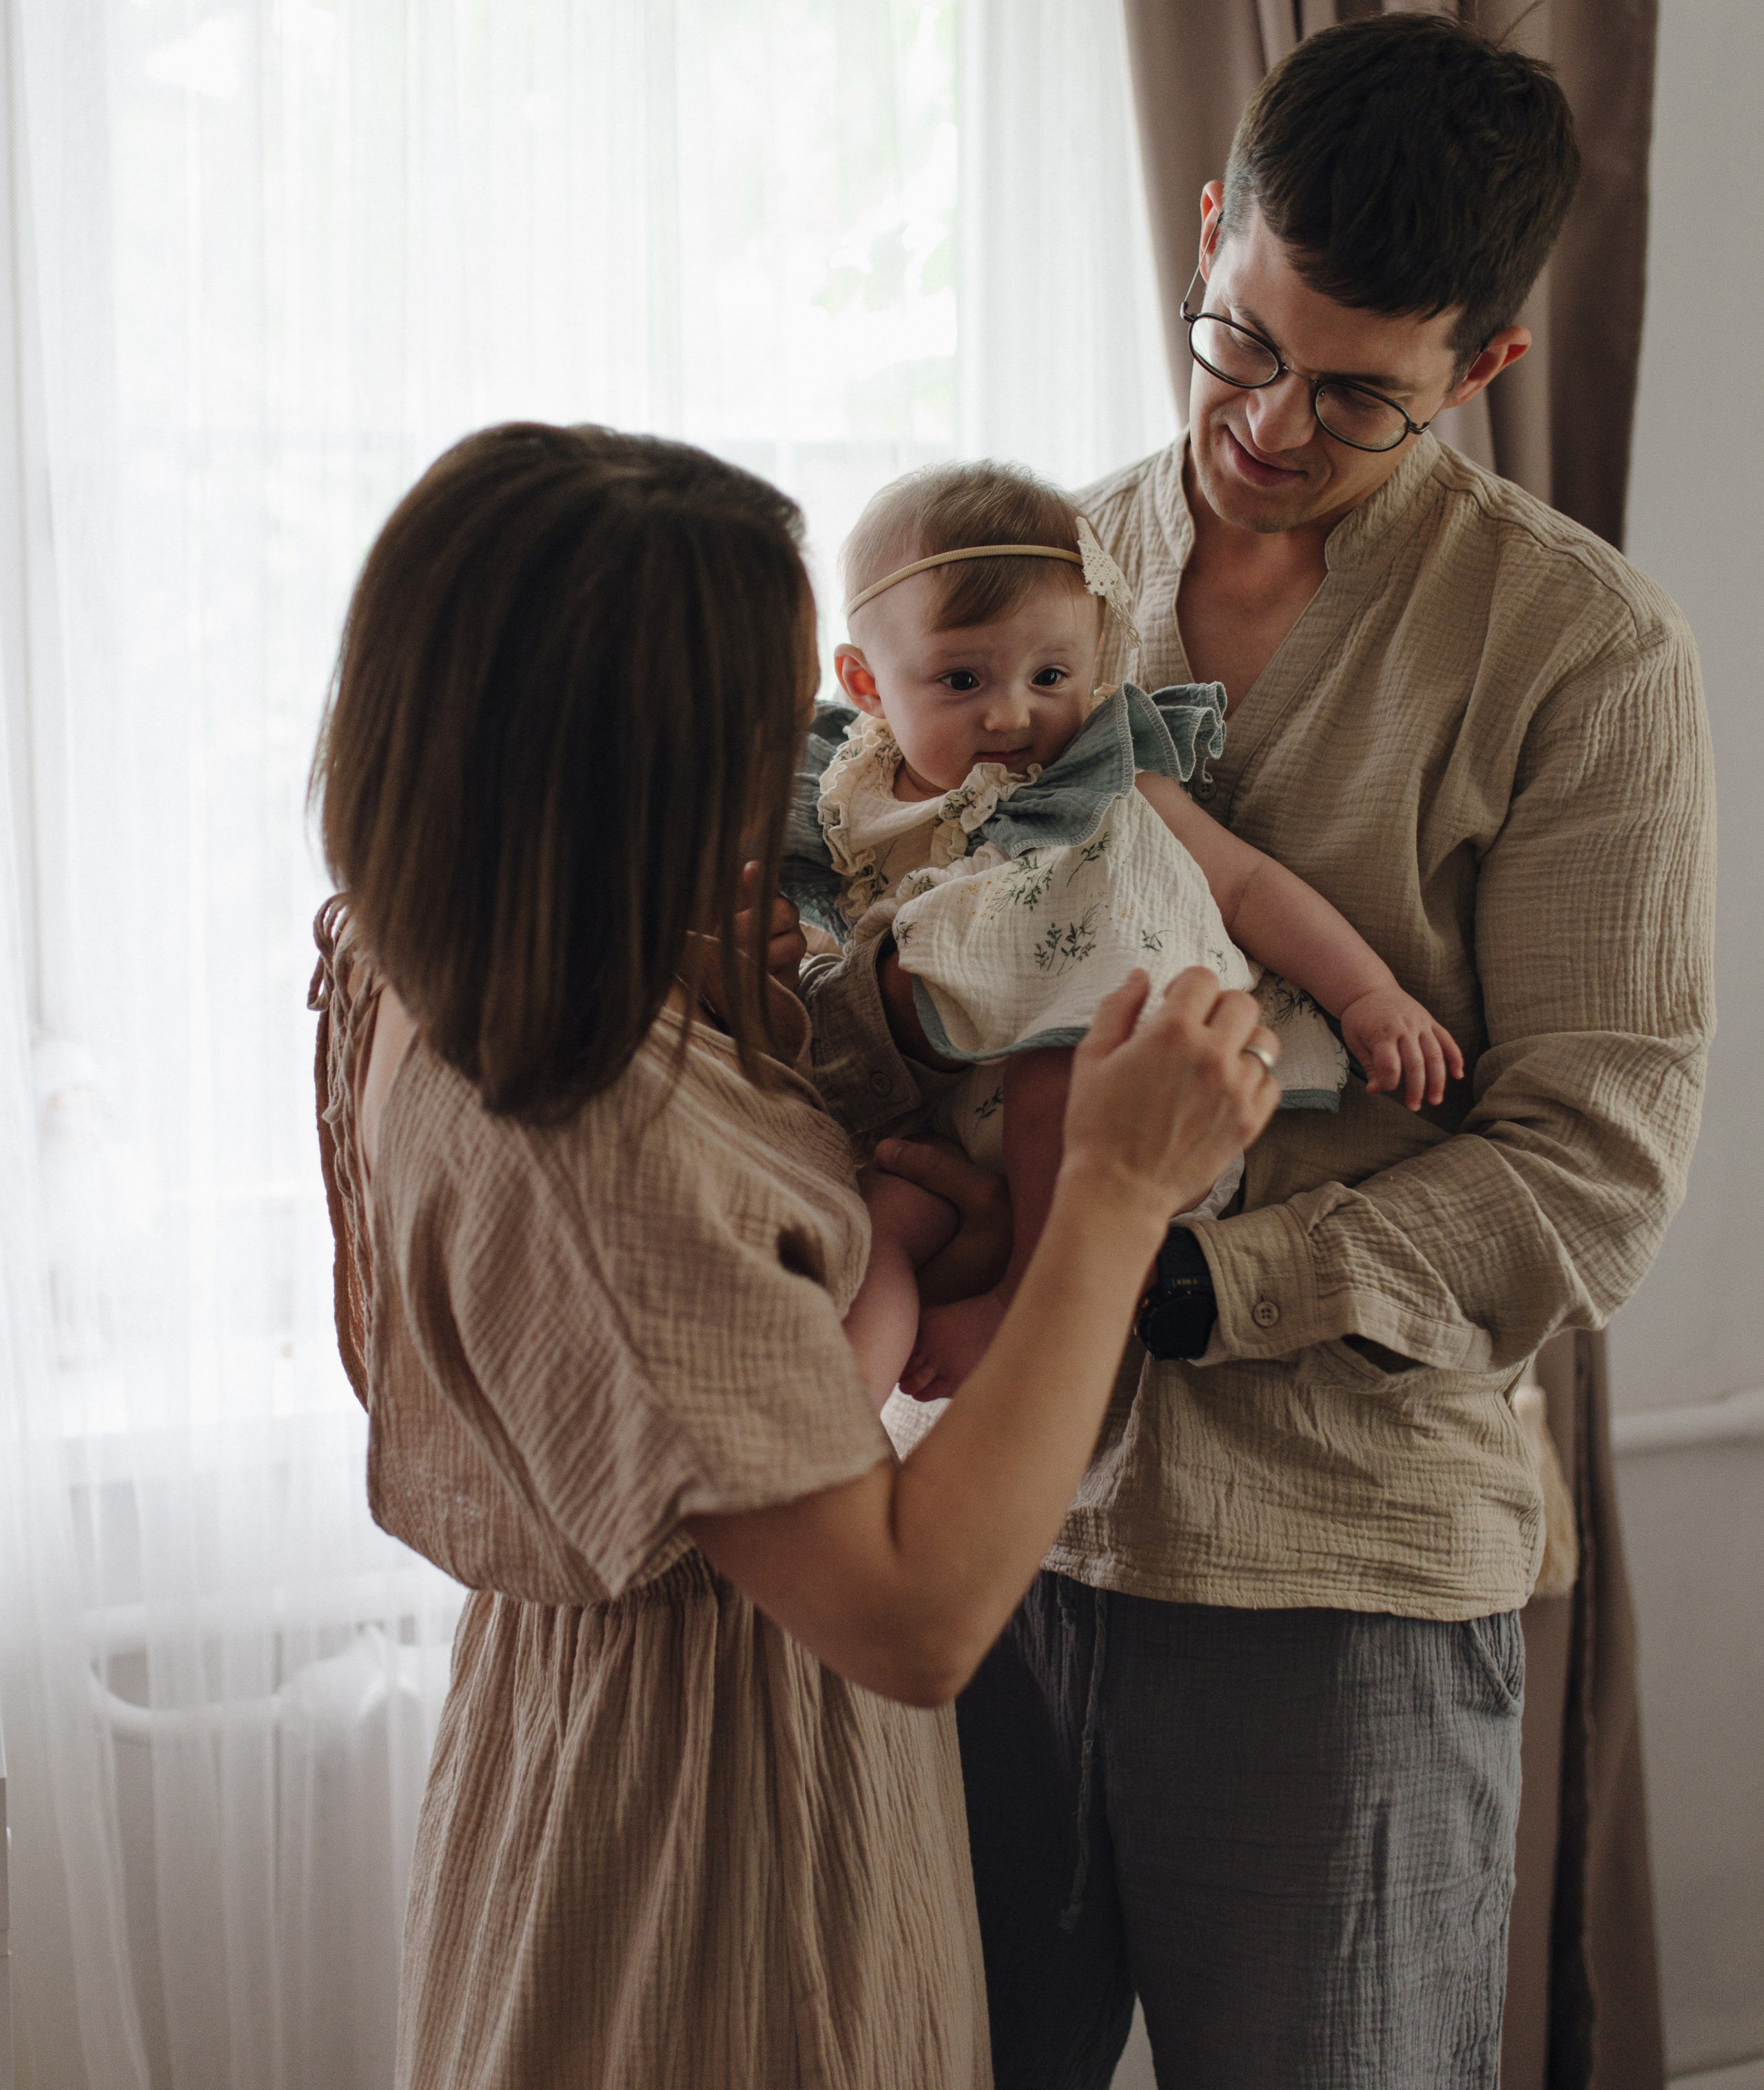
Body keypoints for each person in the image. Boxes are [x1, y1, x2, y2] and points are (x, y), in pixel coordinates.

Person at [801, 12, 1717, 2090]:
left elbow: (1595, 1170)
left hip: (1340, 1582)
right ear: (1211, 234)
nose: (1269, 424)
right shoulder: (1019, 578)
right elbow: (892, 953)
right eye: (1237, 343)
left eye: (1357, 395)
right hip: (985, 1546)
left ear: (1480, 366)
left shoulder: (1585, 659)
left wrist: (1184, 1276)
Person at [306, 420, 1280, 2090]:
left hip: (582, 1761)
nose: (798, 773)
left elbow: (700, 1345)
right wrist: (1111, 1197)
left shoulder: (415, 966)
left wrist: (837, 1155)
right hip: (717, 1840)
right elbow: (908, 1616)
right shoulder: (583, 1114)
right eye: (763, 735)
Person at [785, 458, 1460, 1407]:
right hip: (942, 1121)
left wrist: (1367, 994)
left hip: (1120, 1112)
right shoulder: (847, 794)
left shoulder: (1109, 779)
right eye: (963, 678)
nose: (1013, 712)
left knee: (1060, 1032)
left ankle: (1030, 1298)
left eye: (1050, 674)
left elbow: (1250, 886)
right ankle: (826, 1449)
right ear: (864, 681)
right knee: (872, 1231)